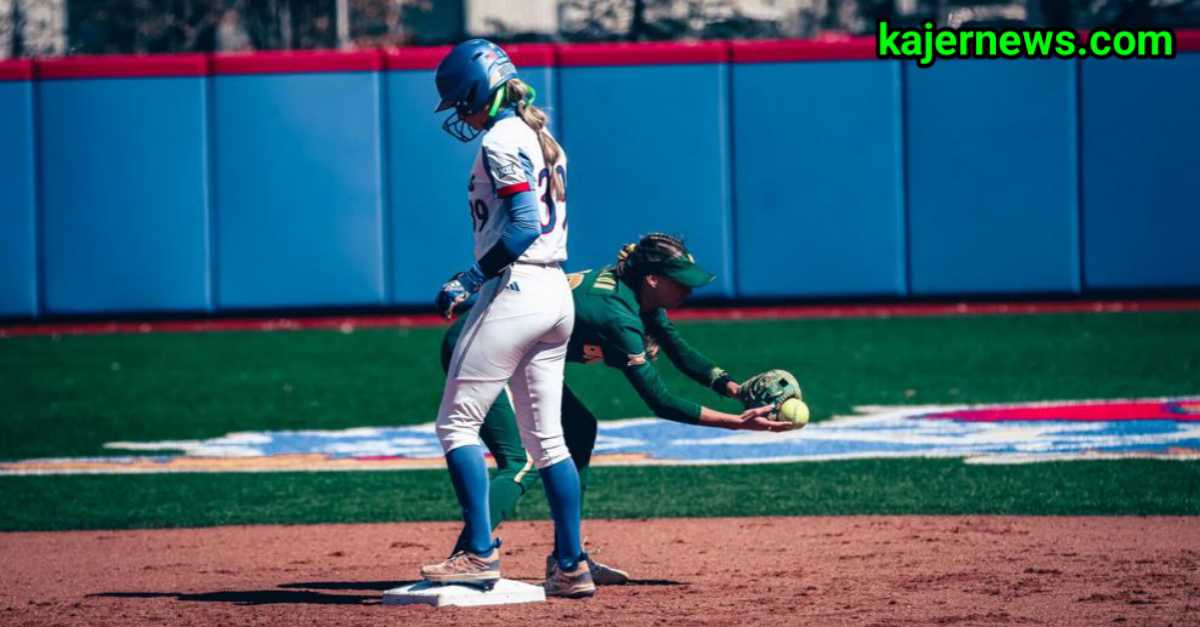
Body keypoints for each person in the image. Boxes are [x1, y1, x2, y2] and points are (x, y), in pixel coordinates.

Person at [441, 233, 796, 583]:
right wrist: (735, 422)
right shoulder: (616, 314)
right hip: (480, 349)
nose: (688, 291)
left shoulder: (640, 296)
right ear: (653, 279)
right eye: (681, 283)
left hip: (517, 351)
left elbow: (677, 348)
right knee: (523, 459)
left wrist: (733, 388)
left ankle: (568, 560)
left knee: (579, 430)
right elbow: (659, 401)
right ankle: (471, 555)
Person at [420, 39, 594, 599]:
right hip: (555, 293)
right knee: (549, 441)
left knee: (456, 426)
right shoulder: (543, 137)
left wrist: (469, 279)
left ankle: (477, 552)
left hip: (516, 288)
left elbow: (522, 223)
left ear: (477, 91)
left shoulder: (501, 138)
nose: (460, 114)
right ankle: (571, 565)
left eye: (460, 102)